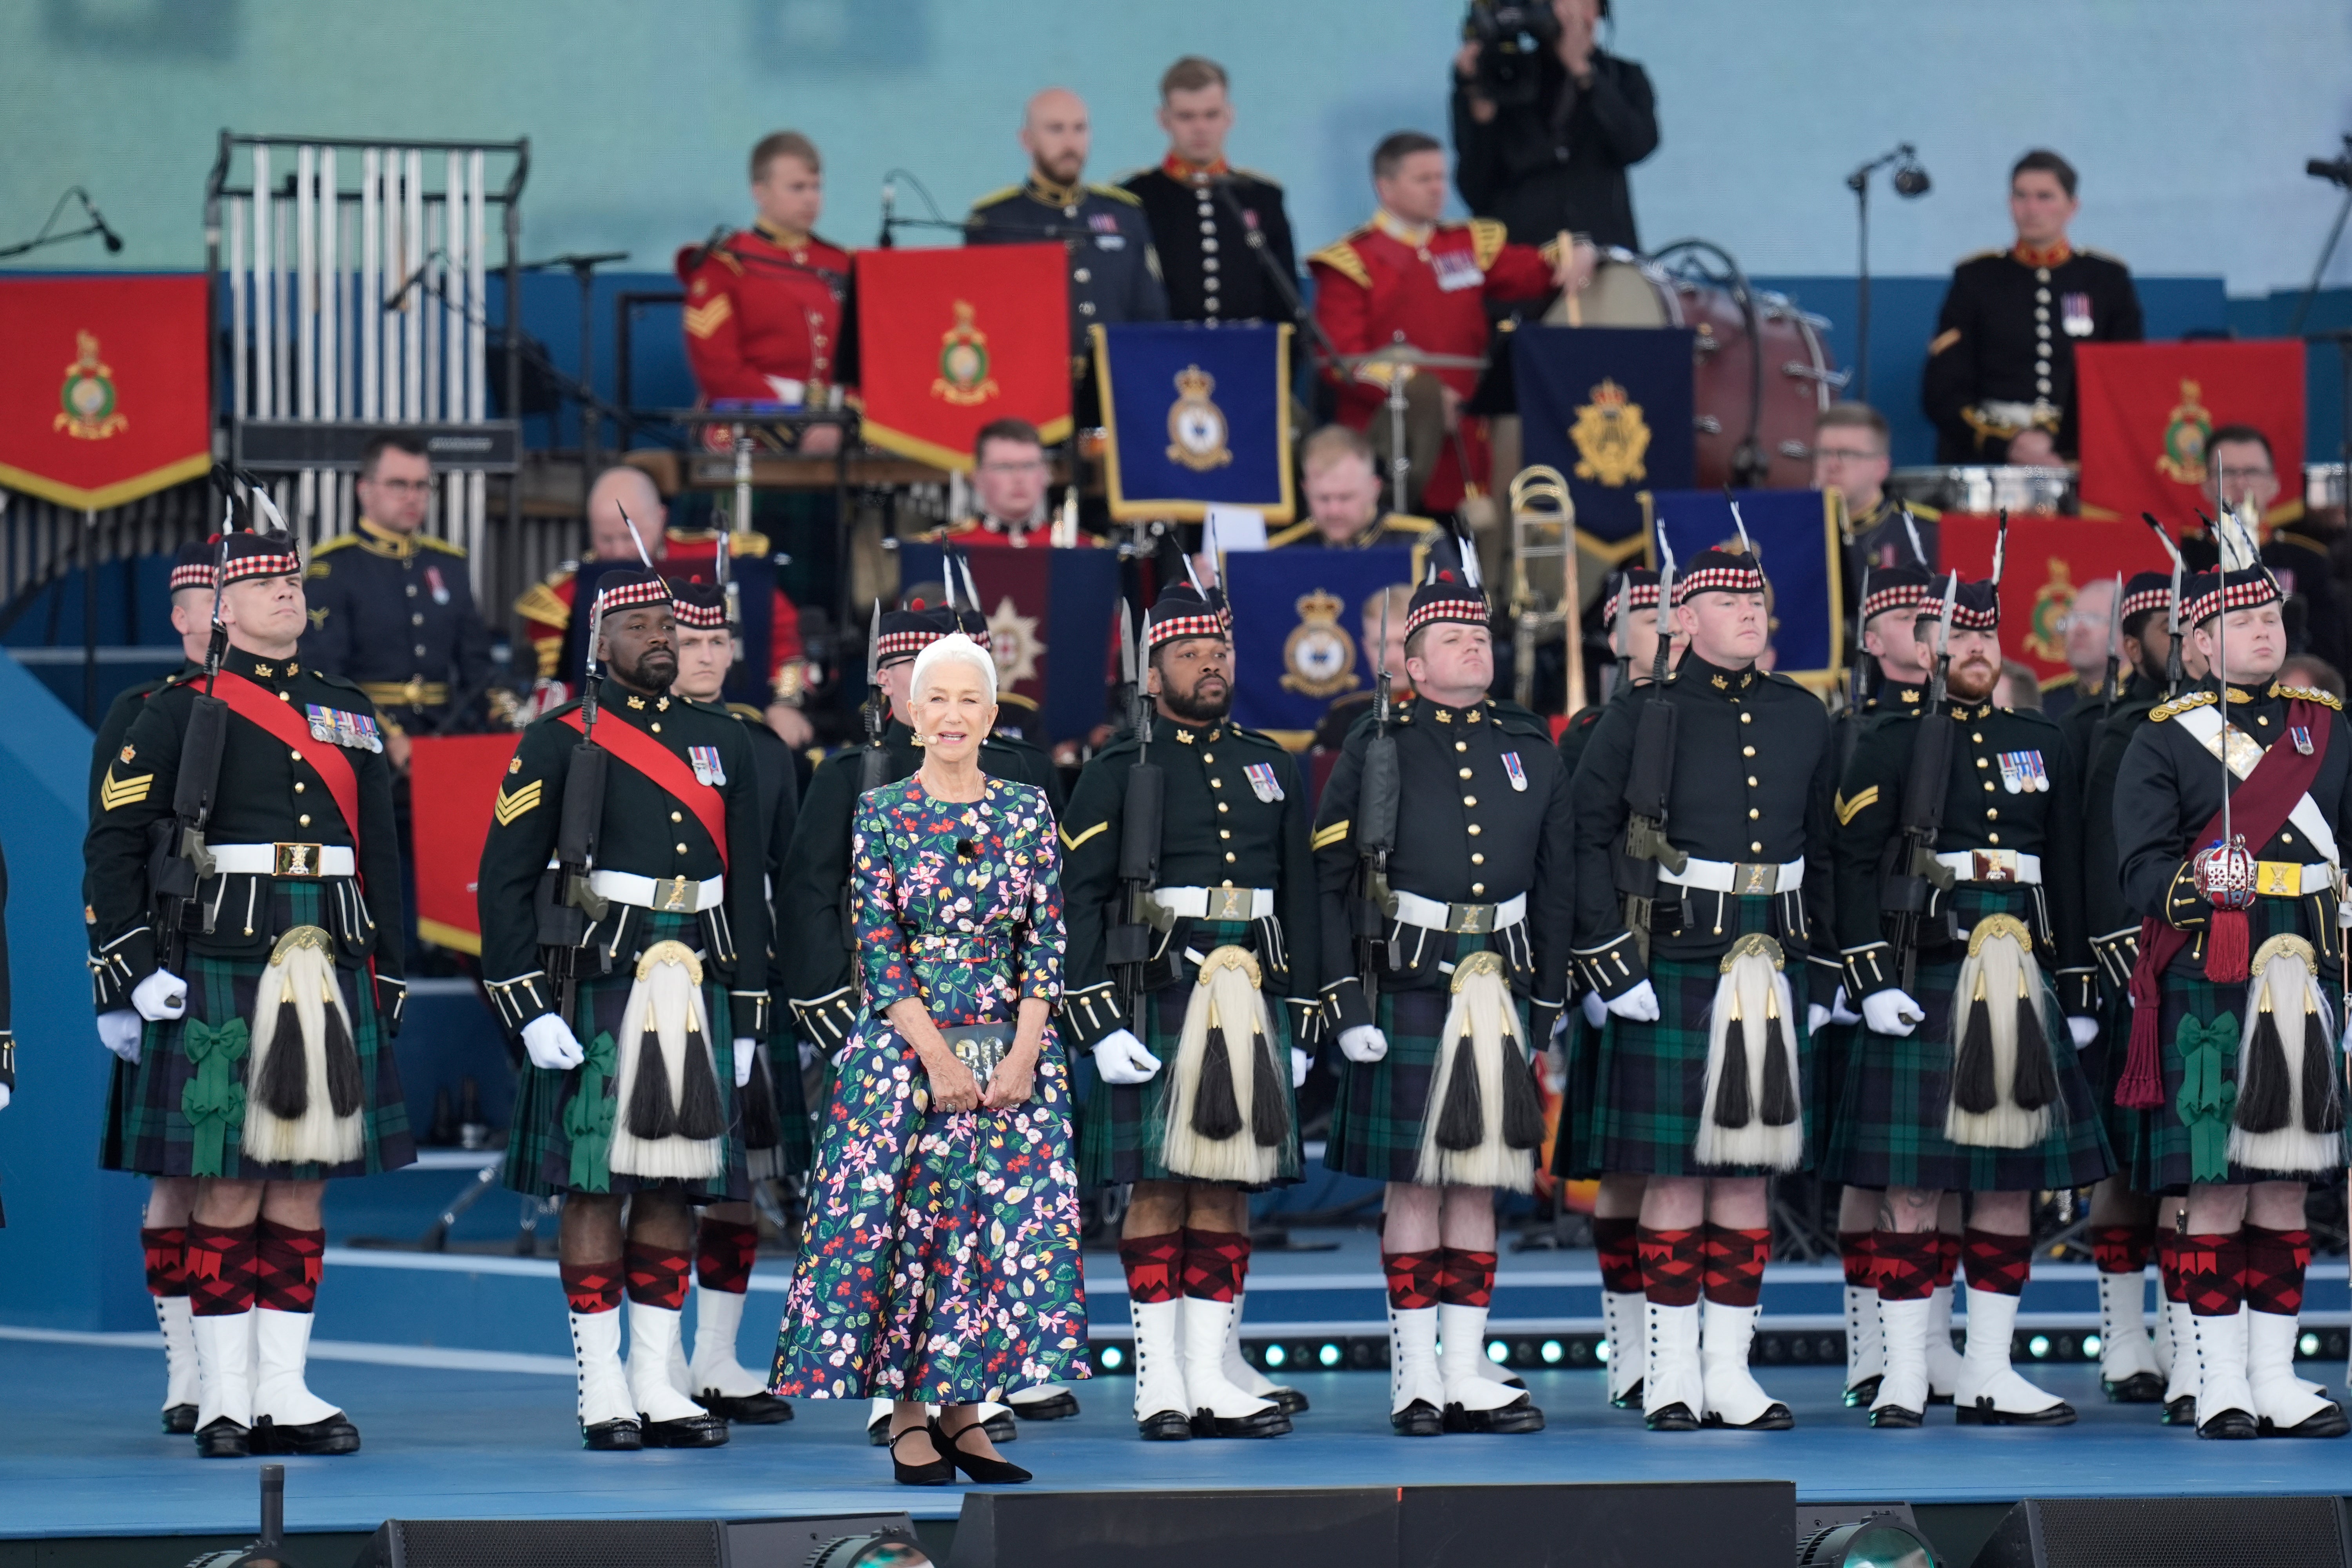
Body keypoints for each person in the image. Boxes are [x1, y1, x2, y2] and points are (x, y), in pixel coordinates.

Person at [87, 526, 412, 1459]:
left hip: (329, 950)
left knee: (301, 1184)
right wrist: (132, 964)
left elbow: (378, 852)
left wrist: (385, 963)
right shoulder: (174, 710)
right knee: (226, 1183)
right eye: (262, 580)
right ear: (218, 606)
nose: (284, 591)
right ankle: (223, 1393)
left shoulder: (347, 709)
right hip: (227, 948)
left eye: (290, 578)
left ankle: (284, 1387)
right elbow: (113, 844)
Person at [772, 633, 1087, 1486]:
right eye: (935, 699)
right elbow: (877, 945)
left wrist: (1024, 1053)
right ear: (912, 715)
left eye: (967, 700)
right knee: (907, 1232)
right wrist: (939, 1061)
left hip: (1012, 1051)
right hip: (906, 1050)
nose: (951, 714)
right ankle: (909, 1416)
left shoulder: (1026, 810)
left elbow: (1047, 940)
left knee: (987, 1235)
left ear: (991, 715)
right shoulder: (880, 812)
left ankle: (966, 1414)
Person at [477, 569, 768, 1452]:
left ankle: (658, 1375)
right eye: (638, 623)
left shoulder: (724, 738)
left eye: (669, 624)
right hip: (601, 974)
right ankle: (601, 1382)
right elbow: (505, 878)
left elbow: (749, 886)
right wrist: (526, 1002)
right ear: (597, 641)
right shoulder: (558, 739)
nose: (661, 637)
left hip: (700, 976)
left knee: (676, 1184)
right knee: (595, 1183)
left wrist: (750, 1013)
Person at [1824, 567, 2112, 1428]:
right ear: (1927, 648)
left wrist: (2078, 983)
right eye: (1961, 633)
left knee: (2009, 1179)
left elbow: (2066, 866)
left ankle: (1989, 1370)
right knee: (1913, 1184)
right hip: (1929, 966)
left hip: (2020, 966)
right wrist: (1869, 976)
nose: (1979, 647)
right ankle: (1908, 1372)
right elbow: (1849, 865)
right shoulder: (1885, 740)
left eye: (1990, 633)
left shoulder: (2041, 738)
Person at [1571, 537, 1836, 1432]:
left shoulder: (1804, 714)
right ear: (1681, 618)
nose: (1749, 612)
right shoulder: (1640, 715)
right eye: (1727, 602)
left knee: (1744, 1176)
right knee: (1676, 1175)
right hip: (1672, 959)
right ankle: (1673, 1370)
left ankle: (1730, 1369)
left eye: (1757, 599)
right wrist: (1610, 957)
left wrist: (1837, 969)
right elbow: (1583, 839)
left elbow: (1830, 854)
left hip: (1769, 957)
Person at [1314, 550, 1571, 1437]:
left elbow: (1554, 874)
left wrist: (1547, 996)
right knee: (1415, 1182)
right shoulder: (1376, 739)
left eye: (1480, 635)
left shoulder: (1528, 742)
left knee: (1479, 1181)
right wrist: (1346, 1001)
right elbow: (1330, 875)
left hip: (1498, 983)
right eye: (1451, 638)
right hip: (1410, 982)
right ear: (1411, 664)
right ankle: (1414, 1374)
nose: (1474, 647)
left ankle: (1466, 1368)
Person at [1058, 580, 1317, 1441]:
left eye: (1221, 652)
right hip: (1157, 990)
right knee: (1160, 1183)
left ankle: (1210, 1376)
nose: (1212, 665)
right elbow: (1079, 902)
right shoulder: (1114, 769)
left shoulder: (1272, 761)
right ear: (1151, 668)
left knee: (1229, 1184)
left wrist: (1309, 1013)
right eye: (1191, 654)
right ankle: (1158, 1381)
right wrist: (1098, 1022)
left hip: (1252, 992)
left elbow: (1303, 899)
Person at [2111, 534, 2350, 1441]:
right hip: (2211, 974)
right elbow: (2137, 871)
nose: (2264, 631)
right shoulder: (2161, 740)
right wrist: (2199, 886)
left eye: (2271, 616)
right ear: (2198, 642)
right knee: (2213, 1186)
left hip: (2306, 968)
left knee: (2285, 1185)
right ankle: (2217, 1381)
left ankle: (2276, 1375)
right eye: (2241, 620)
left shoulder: (2324, 727)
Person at [659, 577, 808, 1425]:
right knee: (665, 1176)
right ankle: (665, 1358)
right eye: (690, 639)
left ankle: (718, 1354)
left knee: (740, 1181)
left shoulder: (766, 747)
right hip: (659, 968)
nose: (706, 655)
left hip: (744, 969)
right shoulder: (628, 735)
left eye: (718, 641)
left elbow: (791, 872)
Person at [89, 540, 216, 1436]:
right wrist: (118, 981)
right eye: (207, 596)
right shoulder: (143, 712)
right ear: (179, 616)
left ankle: (248, 1366)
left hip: (267, 967)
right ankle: (186, 1361)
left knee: (267, 1176)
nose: (223, 608)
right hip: (172, 963)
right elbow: (112, 855)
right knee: (176, 1176)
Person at [1554, 567, 1681, 1409]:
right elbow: (1572, 851)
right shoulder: (1592, 729)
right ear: (1615, 631)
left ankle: (1670, 1345)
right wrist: (1593, 967)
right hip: (1618, 960)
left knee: (1683, 1162)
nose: (1667, 627)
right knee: (1628, 1164)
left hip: (1694, 955)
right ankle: (1629, 1343)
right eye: (1649, 615)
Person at [1309, 132, 1583, 515]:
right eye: (1424, 180)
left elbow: (1538, 271)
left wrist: (1580, 252)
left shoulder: (1468, 244)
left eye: (1441, 177)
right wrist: (1423, 397)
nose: (1438, 189)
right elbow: (1342, 360)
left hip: (1468, 447)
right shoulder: (1352, 261)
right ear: (1385, 188)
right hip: (1388, 446)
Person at [2076, 570, 2182, 1412]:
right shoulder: (2121, 730)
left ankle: (2191, 1341)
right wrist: (2108, 963)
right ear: (2132, 640)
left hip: (2216, 960)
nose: (2180, 642)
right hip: (2133, 967)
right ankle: (2122, 1335)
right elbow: (2097, 850)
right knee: (2127, 1162)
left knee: (2194, 1166)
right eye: (2164, 627)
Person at [518, 468, 813, 746]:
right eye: (606, 539)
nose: (619, 550)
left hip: (729, 725)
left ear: (661, 518)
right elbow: (550, 684)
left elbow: (785, 638)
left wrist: (785, 703)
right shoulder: (569, 593)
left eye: (629, 537)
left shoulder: (721, 561)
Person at [1923, 149, 2143, 465]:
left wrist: (2062, 444)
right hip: (1991, 458)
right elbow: (1943, 390)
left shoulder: (2106, 280)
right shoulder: (1976, 278)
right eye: (2021, 196)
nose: (2031, 209)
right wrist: (2009, 444)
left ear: (2072, 207)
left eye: (2045, 197)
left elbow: (2125, 380)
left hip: (2080, 457)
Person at [969, 88, 1167, 414]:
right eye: (1056, 129)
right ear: (1027, 140)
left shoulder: (1124, 215)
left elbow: (1151, 316)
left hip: (1116, 397)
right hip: (1030, 400)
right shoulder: (995, 222)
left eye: (1080, 128)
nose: (1070, 142)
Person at [303, 432, 502, 753]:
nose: (413, 497)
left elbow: (478, 669)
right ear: (364, 490)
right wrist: (385, 735)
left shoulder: (448, 565)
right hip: (363, 748)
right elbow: (324, 677)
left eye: (422, 486)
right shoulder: (335, 568)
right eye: (399, 485)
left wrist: (504, 719)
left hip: (445, 740)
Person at [677, 130, 851, 455]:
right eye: (797, 188)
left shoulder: (841, 263)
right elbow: (720, 371)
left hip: (837, 430)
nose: (811, 198)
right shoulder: (724, 264)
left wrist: (838, 421)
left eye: (816, 187)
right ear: (761, 193)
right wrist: (799, 424)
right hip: (754, 428)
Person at [1450, 0, 1658, 253]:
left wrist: (1584, 73)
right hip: (1522, 266)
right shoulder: (1503, 78)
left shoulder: (1623, 77)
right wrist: (1481, 116)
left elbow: (1637, 145)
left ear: (1596, 13)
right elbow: (1475, 189)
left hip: (1603, 263)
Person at [1122, 57, 1298, 327]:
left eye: (1211, 115)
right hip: (1166, 359)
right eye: (1186, 117)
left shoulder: (1262, 198)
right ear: (1164, 120)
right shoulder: (1134, 199)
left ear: (1230, 116)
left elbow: (1286, 309)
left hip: (1247, 359)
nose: (1200, 128)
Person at [2199, 426, 2347, 675]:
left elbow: (2329, 654)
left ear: (2274, 484)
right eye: (2228, 472)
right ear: (2207, 485)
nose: (2241, 483)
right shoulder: (2186, 557)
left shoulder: (2308, 562)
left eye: (2253, 472)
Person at [930, 419, 1102, 550]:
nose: (1019, 478)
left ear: (1045, 475)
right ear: (978, 478)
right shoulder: (945, 548)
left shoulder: (1081, 548)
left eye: (1029, 466)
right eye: (1005, 467)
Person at [1267, 426, 1444, 552]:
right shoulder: (1284, 551)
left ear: (1375, 489)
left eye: (1346, 497)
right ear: (1306, 491)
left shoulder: (1421, 545)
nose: (1334, 511)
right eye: (1323, 498)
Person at [1312, 583, 1416, 753]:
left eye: (1402, 643)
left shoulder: (1447, 714)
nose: (1390, 658)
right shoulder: (1344, 720)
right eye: (1380, 645)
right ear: (1366, 649)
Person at [2039, 575, 2118, 720]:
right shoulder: (2045, 704)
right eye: (2073, 619)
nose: (2079, 629)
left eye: (2094, 619)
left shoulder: (2148, 698)